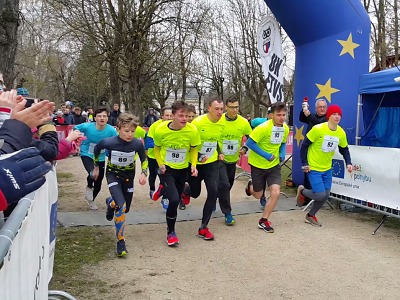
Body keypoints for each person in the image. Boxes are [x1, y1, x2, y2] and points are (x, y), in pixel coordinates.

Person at [92, 112, 148, 257]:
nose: (130, 134)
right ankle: (120, 241)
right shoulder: (109, 142)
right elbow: (97, 150)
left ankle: (111, 203)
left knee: (125, 208)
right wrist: (97, 166)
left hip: (128, 177)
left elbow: (144, 159)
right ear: (118, 129)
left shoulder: (136, 144)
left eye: (133, 131)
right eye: (126, 131)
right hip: (113, 175)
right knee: (121, 207)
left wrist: (143, 173)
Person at [153, 101, 200, 246]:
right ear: (172, 116)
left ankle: (163, 189)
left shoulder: (192, 130)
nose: (184, 119)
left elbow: (193, 149)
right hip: (167, 170)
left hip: (182, 170)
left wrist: (193, 165)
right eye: (181, 116)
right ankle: (171, 232)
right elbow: (156, 148)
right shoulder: (161, 130)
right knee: (174, 200)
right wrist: (160, 163)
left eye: (186, 116)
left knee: (176, 196)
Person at [297, 104, 352, 226]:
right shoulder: (318, 129)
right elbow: (304, 146)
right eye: (334, 114)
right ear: (329, 116)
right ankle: (303, 192)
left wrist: (348, 162)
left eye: (339, 115)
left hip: (327, 168)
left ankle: (310, 215)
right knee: (320, 194)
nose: (337, 117)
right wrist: (305, 163)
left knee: (326, 195)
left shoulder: (341, 132)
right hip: (313, 167)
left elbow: (344, 149)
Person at [181, 97, 226, 240]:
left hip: (211, 163)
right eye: (217, 109)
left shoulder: (222, 123)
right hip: (195, 163)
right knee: (195, 193)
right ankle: (185, 191)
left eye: (221, 109)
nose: (220, 112)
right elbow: (188, 143)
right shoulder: (198, 122)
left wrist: (220, 152)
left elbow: (217, 140)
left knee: (214, 191)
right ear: (209, 108)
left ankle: (203, 227)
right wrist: (199, 155)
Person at [244, 102, 289, 233]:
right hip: (258, 165)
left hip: (273, 166)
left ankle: (263, 220)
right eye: (278, 115)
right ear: (272, 115)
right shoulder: (263, 128)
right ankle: (250, 187)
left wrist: (281, 153)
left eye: (283, 115)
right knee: (258, 195)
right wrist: (265, 155)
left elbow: (284, 142)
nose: (281, 118)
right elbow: (250, 143)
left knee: (275, 193)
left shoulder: (285, 128)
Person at [216, 96, 252, 225]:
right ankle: (228, 213)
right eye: (231, 107)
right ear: (226, 107)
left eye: (236, 107)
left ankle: (215, 197)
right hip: (219, 158)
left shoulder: (243, 122)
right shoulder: (218, 120)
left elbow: (251, 138)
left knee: (228, 184)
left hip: (233, 159)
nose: (234, 110)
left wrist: (245, 148)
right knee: (224, 184)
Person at [74, 107, 118, 210]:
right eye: (99, 116)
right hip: (87, 154)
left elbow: (117, 141)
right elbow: (75, 128)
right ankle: (89, 186)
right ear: (95, 118)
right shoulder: (87, 127)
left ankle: (92, 200)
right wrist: (77, 137)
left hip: (100, 157)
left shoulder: (111, 130)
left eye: (104, 116)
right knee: (93, 173)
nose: (102, 118)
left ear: (107, 118)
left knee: (99, 180)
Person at [298, 98, 328, 207]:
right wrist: (304, 110)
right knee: (307, 173)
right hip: (308, 148)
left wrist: (309, 115)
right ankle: (306, 197)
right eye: (320, 107)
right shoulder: (313, 117)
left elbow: (319, 124)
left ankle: (318, 197)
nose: (322, 109)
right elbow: (302, 118)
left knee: (318, 176)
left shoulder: (328, 119)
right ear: (316, 108)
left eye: (324, 107)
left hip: (320, 152)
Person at [146, 107, 172, 209]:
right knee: (153, 175)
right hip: (153, 156)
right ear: (162, 116)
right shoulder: (155, 126)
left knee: (165, 177)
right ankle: (152, 188)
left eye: (171, 115)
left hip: (166, 158)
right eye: (167, 115)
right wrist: (163, 144)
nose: (169, 118)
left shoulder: (175, 127)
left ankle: (165, 198)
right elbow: (149, 142)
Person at [178, 104, 197, 210]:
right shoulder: (180, 126)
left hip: (194, 160)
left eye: (192, 116)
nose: (189, 119)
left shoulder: (196, 127)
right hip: (181, 160)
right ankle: (180, 200)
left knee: (193, 185)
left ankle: (186, 192)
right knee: (181, 180)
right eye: (188, 116)